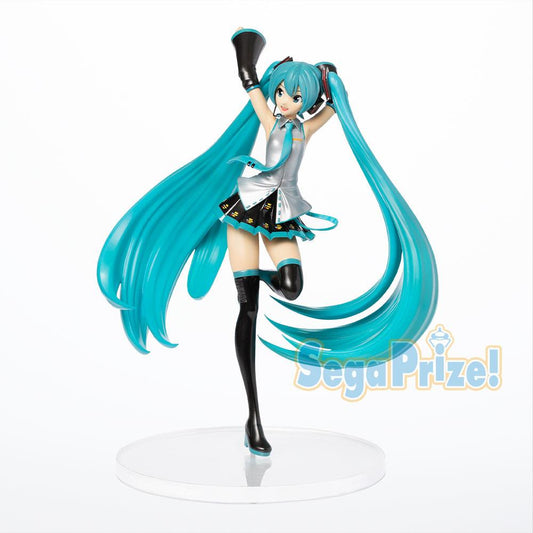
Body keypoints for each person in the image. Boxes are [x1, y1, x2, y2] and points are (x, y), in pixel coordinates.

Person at [97, 28, 438, 457]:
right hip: (247, 210)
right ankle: (253, 418)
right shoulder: (269, 119)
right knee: (249, 310)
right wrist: (248, 60)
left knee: (292, 286)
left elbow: (334, 108)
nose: (285, 101)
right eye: (282, 93)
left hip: (284, 214)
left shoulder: (304, 129)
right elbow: (250, 82)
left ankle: (252, 278)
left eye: (295, 97)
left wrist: (332, 83)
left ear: (306, 101)